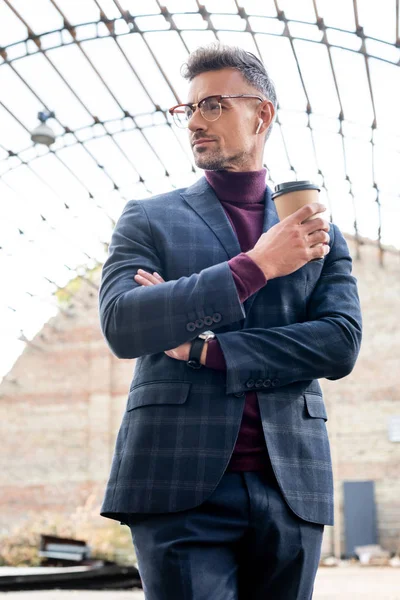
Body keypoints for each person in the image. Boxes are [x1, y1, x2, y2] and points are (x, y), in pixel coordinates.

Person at [98, 44, 362, 600]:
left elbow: (338, 344)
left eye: (214, 105)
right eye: (188, 109)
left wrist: (205, 350)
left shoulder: (318, 231)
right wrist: (256, 267)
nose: (195, 120)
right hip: (176, 481)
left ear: (261, 114)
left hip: (289, 480)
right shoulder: (149, 218)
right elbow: (124, 322)